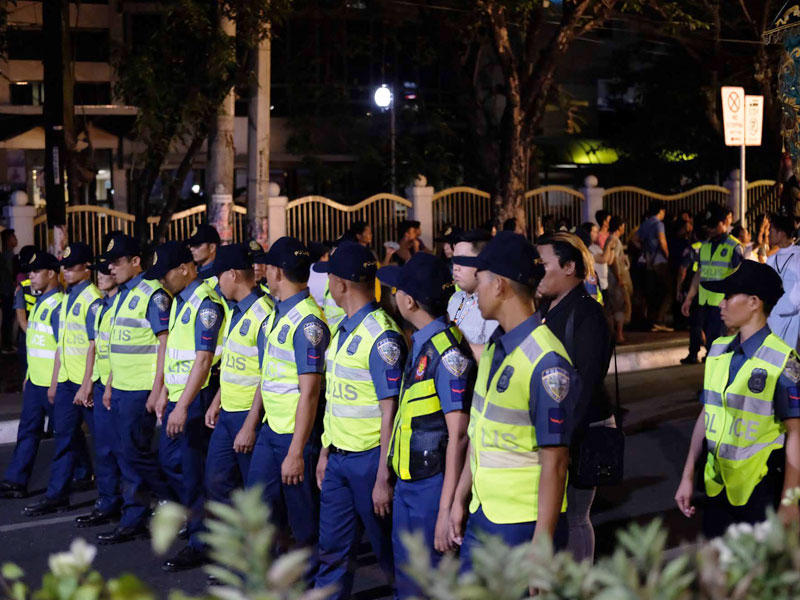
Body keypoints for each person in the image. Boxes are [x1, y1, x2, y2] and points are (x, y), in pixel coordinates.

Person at [448, 232, 580, 575]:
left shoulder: (546, 363)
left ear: (500, 286)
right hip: (483, 513)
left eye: (482, 279)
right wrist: (461, 497)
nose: (475, 289)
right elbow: (479, 433)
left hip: (522, 526)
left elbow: (556, 463)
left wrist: (542, 544)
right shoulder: (495, 348)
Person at [674, 261, 800, 537]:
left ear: (754, 302)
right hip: (716, 487)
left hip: (761, 491)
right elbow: (708, 413)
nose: (721, 303)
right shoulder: (718, 350)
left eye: (729, 296)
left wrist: (790, 503)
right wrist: (686, 476)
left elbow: (796, 434)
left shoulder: (783, 360)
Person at [377, 252, 475, 598]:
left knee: (430, 584)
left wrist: (447, 510)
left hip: (432, 488)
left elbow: (459, 436)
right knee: (409, 582)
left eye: (397, 290)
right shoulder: (420, 343)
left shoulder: (448, 356)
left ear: (409, 300)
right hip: (409, 484)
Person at [313, 242, 407, 599]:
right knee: (332, 551)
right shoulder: (346, 328)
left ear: (340, 284)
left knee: (389, 553)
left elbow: (391, 413)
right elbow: (337, 399)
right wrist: (325, 450)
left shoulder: (380, 336)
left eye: (329, 279)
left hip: (370, 461)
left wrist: (383, 475)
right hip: (338, 459)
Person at [248, 237, 329, 577]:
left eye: (267, 266)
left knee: (303, 523)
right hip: (272, 431)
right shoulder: (277, 314)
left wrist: (296, 451)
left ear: (278, 272)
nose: (262, 271)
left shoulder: (308, 323)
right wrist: (253, 424)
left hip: (296, 438)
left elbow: (310, 392)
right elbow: (269, 377)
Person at [535, 231, 613, 563]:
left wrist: (561, 441)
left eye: (544, 264)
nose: (537, 271)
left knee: (576, 517)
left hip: (579, 429)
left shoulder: (588, 313)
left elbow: (587, 384)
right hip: (554, 429)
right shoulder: (544, 305)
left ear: (569, 267)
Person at [147, 241, 225, 570]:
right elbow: (178, 354)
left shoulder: (206, 304)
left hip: (199, 398)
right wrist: (165, 390)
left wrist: (182, 406)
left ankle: (202, 540)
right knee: (178, 465)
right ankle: (200, 529)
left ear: (184, 268)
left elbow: (204, 360)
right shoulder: (181, 301)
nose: (161, 282)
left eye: (165, 274)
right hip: (182, 397)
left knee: (198, 473)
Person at [97, 234, 175, 544]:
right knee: (125, 454)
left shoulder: (152, 294)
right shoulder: (121, 295)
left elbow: (164, 345)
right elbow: (118, 344)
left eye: (117, 262)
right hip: (121, 389)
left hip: (141, 389)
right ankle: (139, 511)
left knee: (133, 453)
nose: (111, 268)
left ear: (135, 262)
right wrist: (110, 384)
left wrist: (158, 390)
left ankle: (168, 500)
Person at [197, 244, 274, 546]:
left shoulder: (264, 313)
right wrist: (217, 401)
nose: (216, 284)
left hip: (248, 418)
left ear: (232, 274)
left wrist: (251, 424)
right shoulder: (236, 311)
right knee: (216, 482)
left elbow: (268, 374)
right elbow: (233, 362)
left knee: (252, 496)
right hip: (229, 413)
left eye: (218, 277)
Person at [23, 243, 102, 516]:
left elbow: (94, 346)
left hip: (87, 383)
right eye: (64, 266)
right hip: (68, 382)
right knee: (63, 438)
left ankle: (111, 499)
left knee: (105, 444)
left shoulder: (92, 299)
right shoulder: (68, 297)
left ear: (87, 268)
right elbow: (62, 345)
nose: (65, 271)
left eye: (72, 266)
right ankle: (57, 495)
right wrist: (56, 382)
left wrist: (88, 384)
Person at [0, 252, 63, 499]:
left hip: (54, 384)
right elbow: (37, 346)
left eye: (36, 272)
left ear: (50, 273)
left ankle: (84, 474)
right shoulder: (39, 303)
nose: (30, 277)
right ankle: (16, 481)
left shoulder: (57, 305)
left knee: (67, 435)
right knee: (28, 430)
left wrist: (56, 382)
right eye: (29, 272)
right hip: (36, 381)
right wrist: (28, 376)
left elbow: (62, 349)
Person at [73, 258, 123, 528]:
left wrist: (111, 383)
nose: (101, 276)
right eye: (98, 272)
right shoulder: (99, 307)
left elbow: (120, 351)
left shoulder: (124, 305)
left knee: (125, 449)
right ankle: (108, 501)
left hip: (121, 385)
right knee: (103, 449)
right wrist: (88, 383)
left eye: (106, 271)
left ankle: (135, 503)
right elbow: (95, 347)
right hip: (103, 383)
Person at [682, 204, 744, 356]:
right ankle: (713, 377)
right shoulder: (705, 247)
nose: (709, 229)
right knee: (710, 344)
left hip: (722, 304)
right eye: (707, 226)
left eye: (713, 225)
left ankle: (720, 378)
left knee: (717, 345)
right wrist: (689, 298)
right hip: (704, 302)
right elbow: (699, 274)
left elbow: (740, 279)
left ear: (724, 223)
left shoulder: (734, 247)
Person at [448, 229, 499, 362]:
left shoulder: (496, 303)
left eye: (462, 260)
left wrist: (448, 348)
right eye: (454, 260)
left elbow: (494, 354)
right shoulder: (455, 299)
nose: (456, 268)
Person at [631, 200, 672, 331]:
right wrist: (667, 256)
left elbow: (634, 240)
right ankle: (659, 320)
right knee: (669, 290)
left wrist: (644, 249)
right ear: (661, 211)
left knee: (651, 291)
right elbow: (662, 241)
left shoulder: (645, 223)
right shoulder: (659, 224)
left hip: (648, 263)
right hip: (659, 261)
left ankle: (650, 319)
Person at [766, 215, 800, 350]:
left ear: (781, 233)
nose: (768, 235)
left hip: (794, 319)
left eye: (771, 231)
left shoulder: (798, 256)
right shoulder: (771, 260)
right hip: (773, 318)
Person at [605, 217, 632, 344]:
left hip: (613, 277)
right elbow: (614, 260)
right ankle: (619, 335)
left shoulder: (611, 239)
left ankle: (615, 333)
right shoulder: (614, 240)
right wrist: (619, 277)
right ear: (619, 226)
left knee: (615, 306)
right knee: (620, 305)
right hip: (615, 278)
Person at [13, 245, 40, 375]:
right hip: (31, 336)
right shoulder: (23, 287)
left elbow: (21, 319)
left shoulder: (22, 286)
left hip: (29, 336)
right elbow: (21, 318)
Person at [0, 228, 18, 353]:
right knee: (8, 318)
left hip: (7, 290)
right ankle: (6, 345)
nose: (15, 239)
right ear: (7, 241)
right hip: (7, 291)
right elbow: (10, 275)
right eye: (13, 237)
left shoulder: (8, 254)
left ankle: (7, 344)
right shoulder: (7, 256)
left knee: (8, 318)